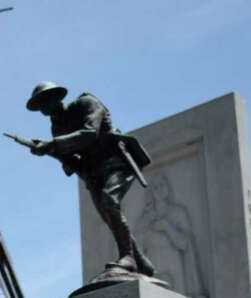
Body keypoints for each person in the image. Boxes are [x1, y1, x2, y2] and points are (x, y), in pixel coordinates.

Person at [12, 82, 156, 277]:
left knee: (109, 201)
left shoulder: (86, 103)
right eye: (39, 105)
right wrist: (47, 151)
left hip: (115, 162)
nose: (44, 107)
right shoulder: (57, 126)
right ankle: (140, 262)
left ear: (57, 96)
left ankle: (128, 258)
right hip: (94, 172)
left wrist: (52, 145)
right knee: (109, 216)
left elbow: (89, 134)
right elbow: (69, 158)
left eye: (45, 101)